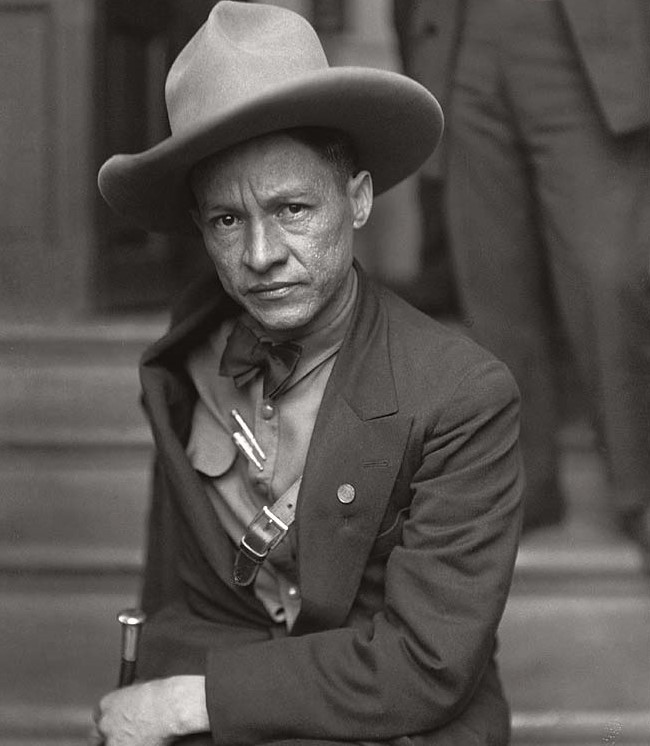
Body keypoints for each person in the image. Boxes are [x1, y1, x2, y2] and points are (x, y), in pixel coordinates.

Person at [92, 2, 523, 744]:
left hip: (396, 720)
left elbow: (426, 665)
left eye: (292, 209)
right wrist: (147, 693)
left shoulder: (462, 395)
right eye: (228, 220)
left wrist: (193, 700)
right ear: (200, 228)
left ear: (356, 200)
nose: (260, 253)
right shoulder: (182, 362)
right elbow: (172, 589)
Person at [394, 0, 650, 550]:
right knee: (492, 284)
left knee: (608, 278)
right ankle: (524, 485)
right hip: (461, 36)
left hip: (583, 34)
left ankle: (640, 490)